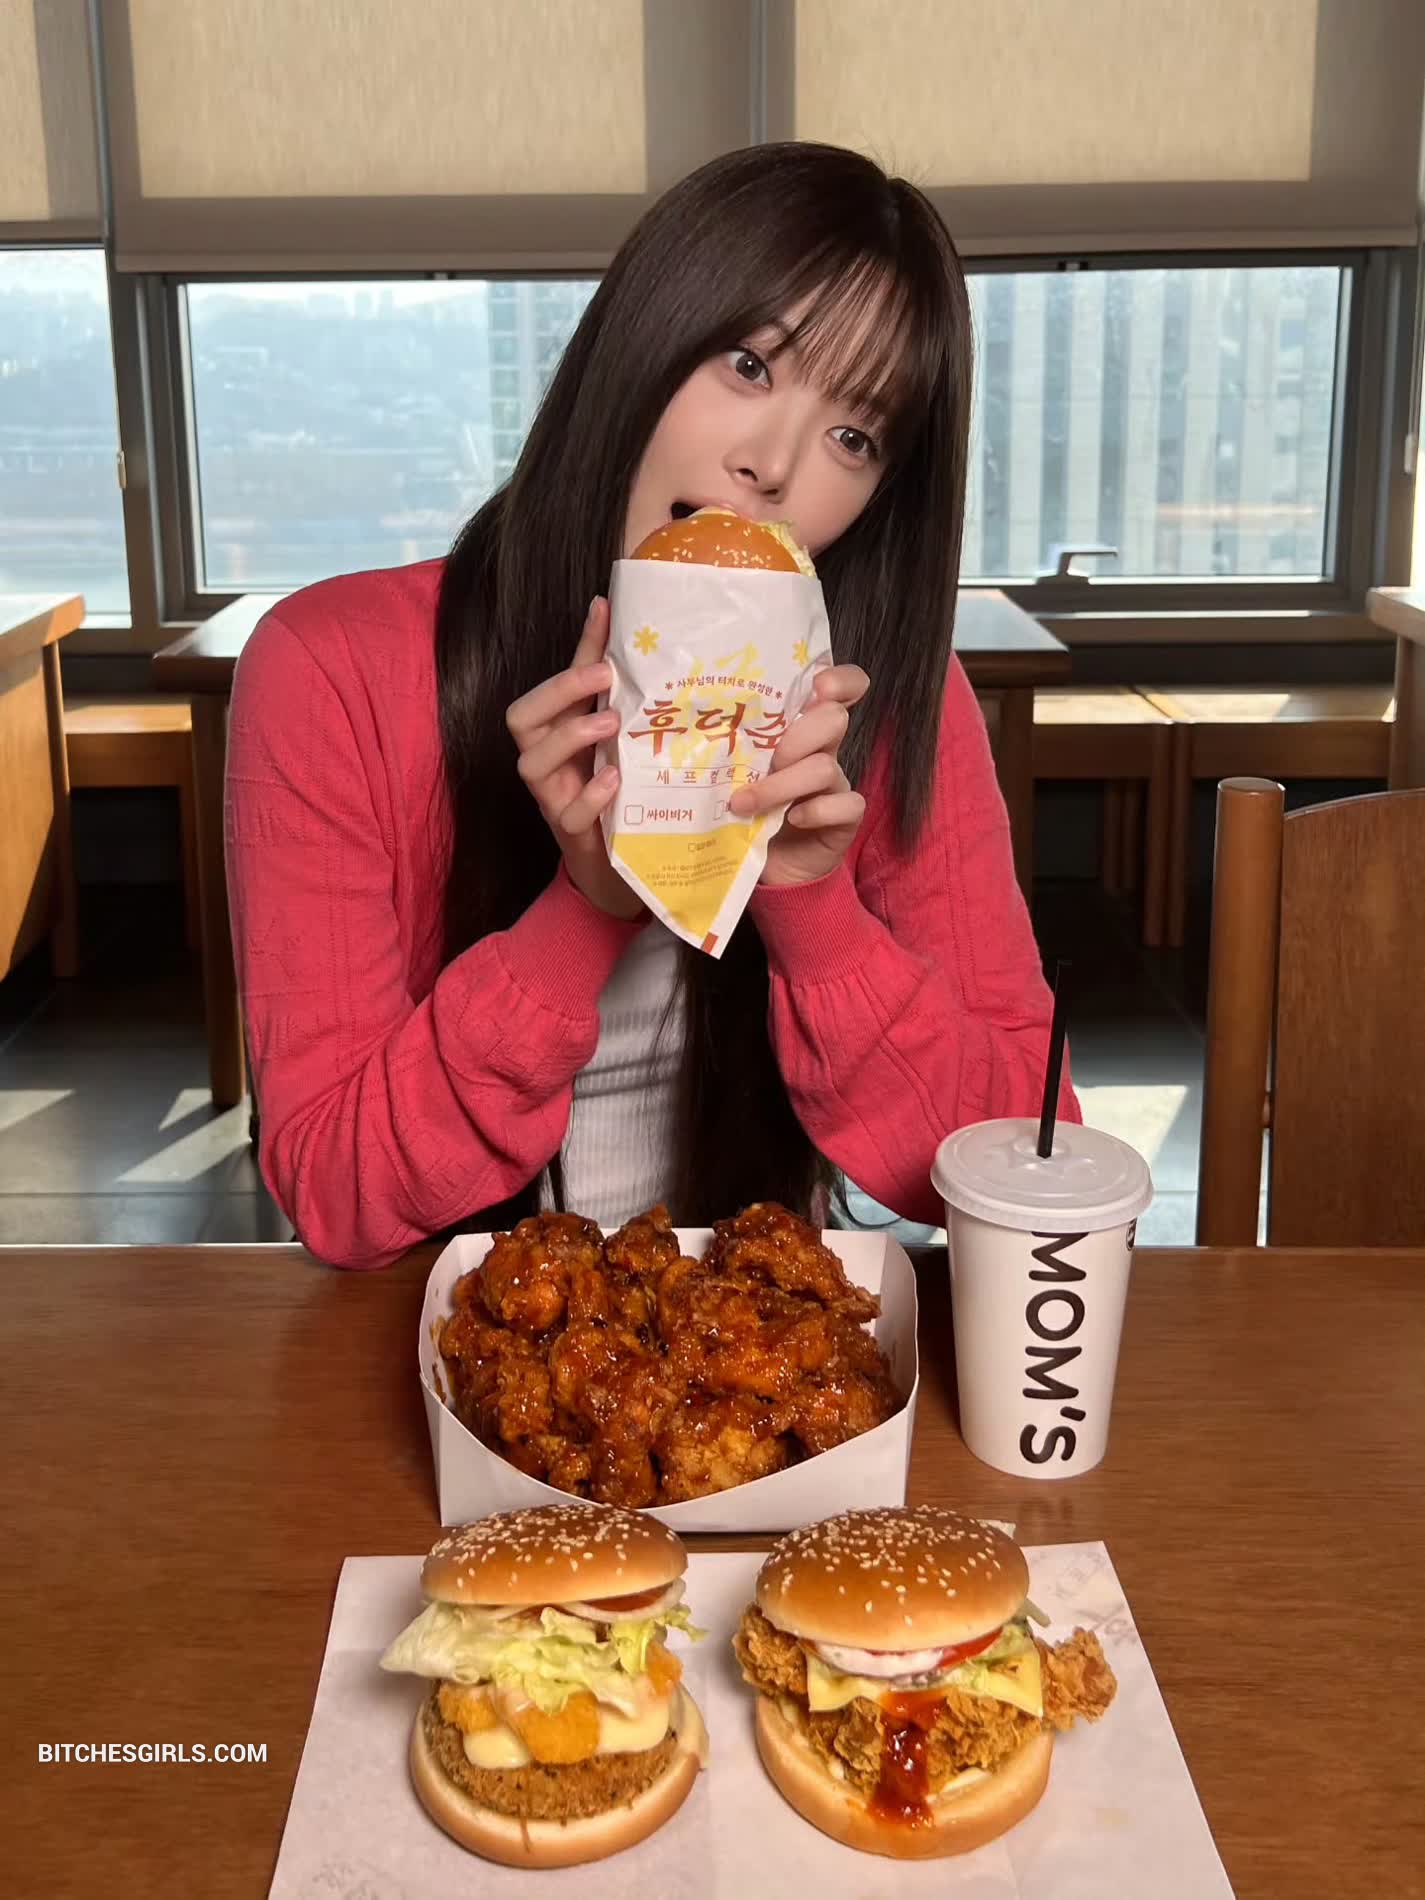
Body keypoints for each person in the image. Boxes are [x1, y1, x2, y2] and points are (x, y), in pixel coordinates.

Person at [226, 141, 1076, 1270]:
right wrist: (586, 904)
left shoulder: (886, 703)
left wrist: (812, 909)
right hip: (455, 1336)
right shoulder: (330, 669)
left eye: (853, 436)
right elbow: (339, 1196)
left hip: (751, 1338)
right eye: (748, 364)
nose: (772, 465)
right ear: (638, 340)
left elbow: (1033, 1157)